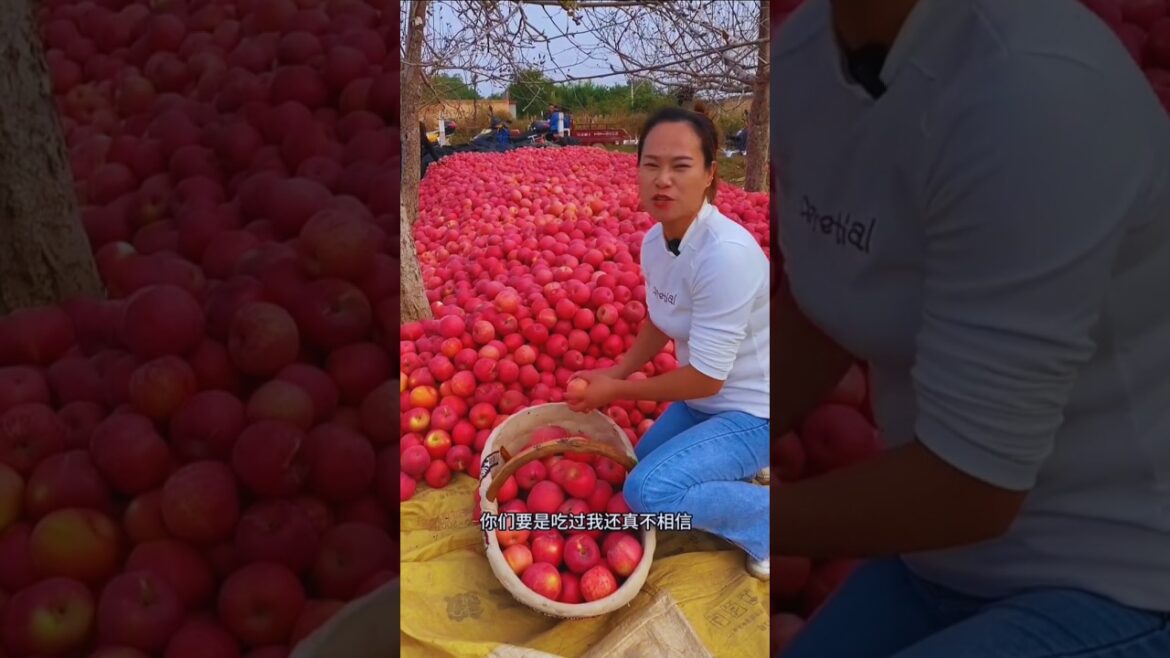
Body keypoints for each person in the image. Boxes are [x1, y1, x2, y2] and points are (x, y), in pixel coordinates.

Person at [773, 0, 1170, 656]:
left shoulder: (1033, 90)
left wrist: (732, 519)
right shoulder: (802, 59)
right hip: (942, 557)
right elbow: (828, 305)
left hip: (1120, 569)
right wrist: (702, 435)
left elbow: (973, 488)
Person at [565, 106, 771, 579]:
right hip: (707, 406)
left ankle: (767, 518)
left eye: (681, 167)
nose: (663, 180)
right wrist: (614, 371)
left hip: (755, 412)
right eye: (651, 165)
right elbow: (661, 319)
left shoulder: (726, 256)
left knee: (648, 493)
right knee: (641, 464)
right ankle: (732, 474)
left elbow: (706, 378)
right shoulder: (656, 243)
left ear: (709, 175)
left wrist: (615, 392)